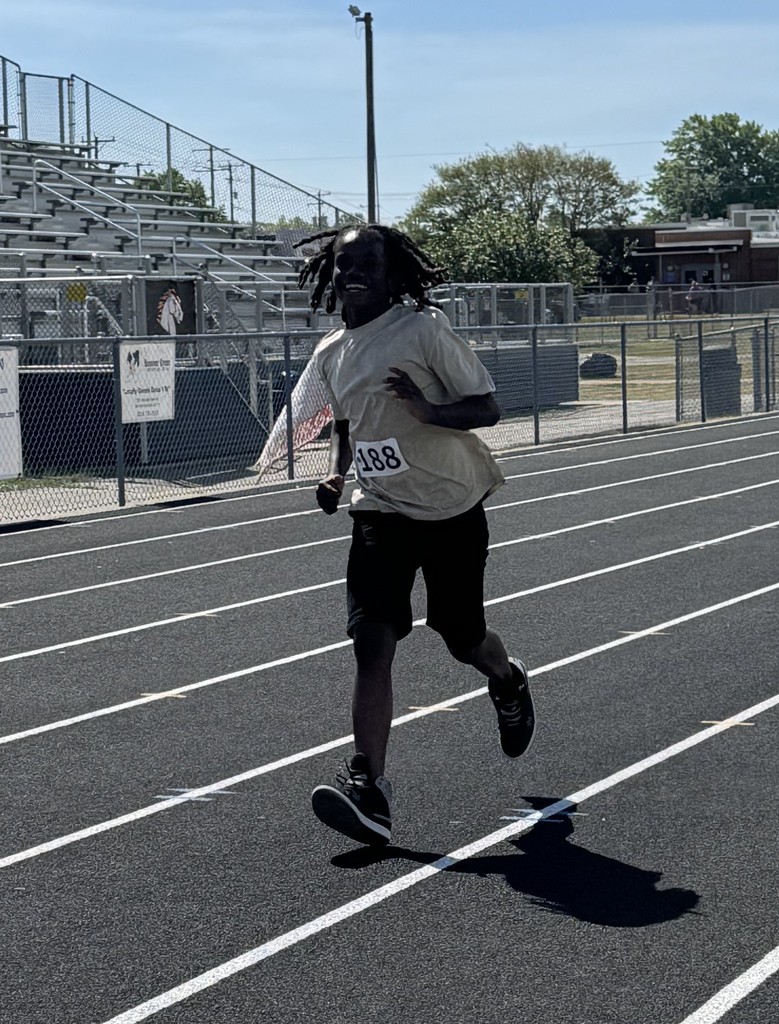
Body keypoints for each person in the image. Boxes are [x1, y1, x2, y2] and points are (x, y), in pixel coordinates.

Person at [295, 223, 536, 846]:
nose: (353, 273)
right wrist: (336, 473)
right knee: (370, 641)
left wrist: (428, 412)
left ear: (392, 273)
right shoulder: (332, 352)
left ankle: (506, 679)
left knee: (461, 636)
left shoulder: (423, 329)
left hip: (451, 507)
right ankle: (369, 787)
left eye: (367, 264)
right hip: (379, 510)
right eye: (344, 263)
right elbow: (347, 426)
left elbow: (487, 407)